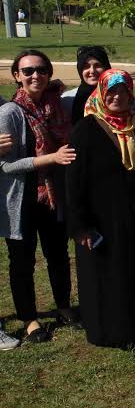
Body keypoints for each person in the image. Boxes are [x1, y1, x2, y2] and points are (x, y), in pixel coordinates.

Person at [66, 69, 135, 348]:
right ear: (102, 94)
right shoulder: (85, 129)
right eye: (112, 92)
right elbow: (74, 183)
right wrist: (80, 224)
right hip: (101, 218)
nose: (118, 97)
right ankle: (112, 332)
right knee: (107, 275)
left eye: (124, 92)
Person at [0, 50, 77, 345]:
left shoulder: (55, 107)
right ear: (17, 76)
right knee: (22, 261)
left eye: (41, 69)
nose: (36, 75)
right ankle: (29, 319)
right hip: (21, 200)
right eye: (28, 70)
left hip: (52, 197)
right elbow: (6, 166)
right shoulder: (10, 113)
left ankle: (63, 305)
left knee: (57, 254)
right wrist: (50, 159)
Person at [61, 45, 112, 125]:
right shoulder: (67, 100)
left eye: (97, 65)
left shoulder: (118, 97)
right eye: (86, 66)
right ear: (80, 70)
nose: (92, 71)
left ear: (106, 68)